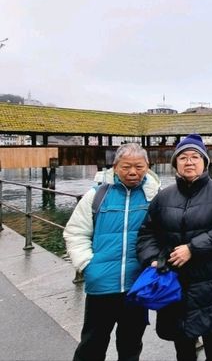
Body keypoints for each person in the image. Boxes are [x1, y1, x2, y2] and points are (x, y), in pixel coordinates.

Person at [137, 133, 212, 361]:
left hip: (211, 282)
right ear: (175, 163)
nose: (189, 162)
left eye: (195, 157)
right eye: (183, 158)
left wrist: (192, 249)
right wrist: (153, 259)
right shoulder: (163, 198)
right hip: (175, 281)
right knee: (181, 342)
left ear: (205, 162)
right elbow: (146, 233)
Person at [63, 143, 161, 361]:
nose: (133, 172)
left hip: (137, 286)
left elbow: (164, 234)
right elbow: (75, 232)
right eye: (126, 167)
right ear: (115, 167)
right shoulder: (97, 195)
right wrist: (87, 265)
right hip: (102, 285)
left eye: (139, 166)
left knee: (131, 345)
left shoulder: (154, 197)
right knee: (92, 345)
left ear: (148, 166)